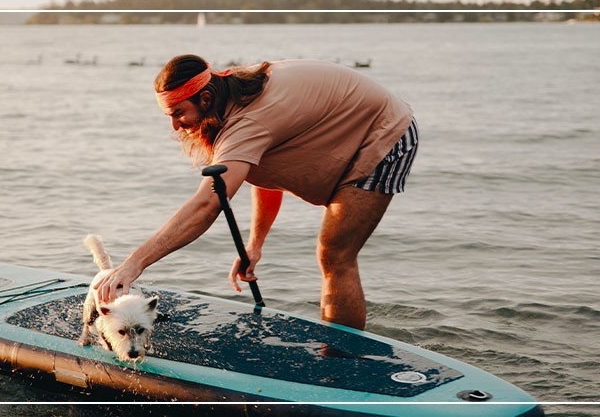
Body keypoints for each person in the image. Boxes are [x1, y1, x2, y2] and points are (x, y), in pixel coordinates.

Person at [94, 54, 418, 330]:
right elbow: (264, 168)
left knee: (335, 255)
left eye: (179, 114)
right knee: (332, 255)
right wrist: (254, 244)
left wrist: (133, 265)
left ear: (205, 99)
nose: (175, 127)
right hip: (357, 122)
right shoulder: (232, 92)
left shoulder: (248, 122)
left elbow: (207, 205)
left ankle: (342, 362)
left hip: (387, 134)